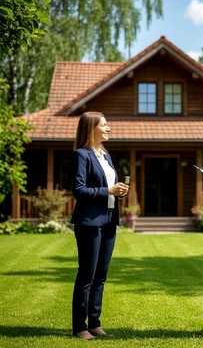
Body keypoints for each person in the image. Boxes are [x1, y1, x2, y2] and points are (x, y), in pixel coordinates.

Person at [71, 111, 129, 340]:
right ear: (91, 128)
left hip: (109, 220)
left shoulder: (105, 155)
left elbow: (108, 186)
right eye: (104, 125)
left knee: (101, 274)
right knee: (87, 274)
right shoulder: (81, 155)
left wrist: (118, 191)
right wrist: (108, 190)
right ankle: (79, 327)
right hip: (89, 222)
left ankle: (94, 323)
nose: (108, 128)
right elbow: (79, 190)